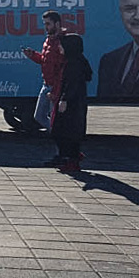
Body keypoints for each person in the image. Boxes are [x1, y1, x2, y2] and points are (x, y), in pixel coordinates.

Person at [49, 33, 92, 173]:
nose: (60, 47)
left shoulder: (73, 63)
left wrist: (64, 99)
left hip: (71, 104)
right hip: (75, 102)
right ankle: (71, 157)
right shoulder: (75, 60)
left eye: (62, 45)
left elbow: (71, 84)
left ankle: (72, 160)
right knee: (67, 131)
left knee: (66, 131)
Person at [23, 10, 66, 131]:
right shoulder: (48, 41)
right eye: (45, 24)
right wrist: (32, 55)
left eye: (48, 24)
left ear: (57, 24)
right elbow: (45, 60)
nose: (45, 27)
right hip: (46, 84)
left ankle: (61, 138)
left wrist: (55, 92)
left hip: (55, 87)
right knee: (39, 116)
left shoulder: (62, 42)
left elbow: (62, 70)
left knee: (55, 118)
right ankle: (57, 133)